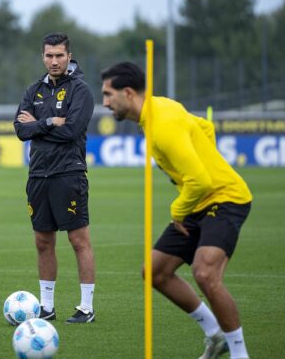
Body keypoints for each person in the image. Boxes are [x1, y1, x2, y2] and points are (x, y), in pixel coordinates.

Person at [101, 61, 253, 359]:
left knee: (205, 273)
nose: (105, 103)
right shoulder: (157, 109)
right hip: (197, 200)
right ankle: (215, 334)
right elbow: (204, 127)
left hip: (225, 197)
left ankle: (240, 354)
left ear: (128, 93)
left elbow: (200, 179)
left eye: (108, 95)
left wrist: (177, 208)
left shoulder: (163, 126)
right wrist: (205, 155)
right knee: (155, 272)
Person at [14, 32, 96, 324]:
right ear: (43, 57)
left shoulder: (80, 90)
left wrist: (36, 125)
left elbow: (71, 131)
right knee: (42, 241)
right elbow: (20, 130)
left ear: (69, 56)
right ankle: (46, 307)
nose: (54, 61)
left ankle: (86, 307)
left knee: (78, 239)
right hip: (38, 173)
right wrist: (48, 122)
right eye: (49, 55)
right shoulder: (33, 89)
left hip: (68, 172)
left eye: (59, 55)